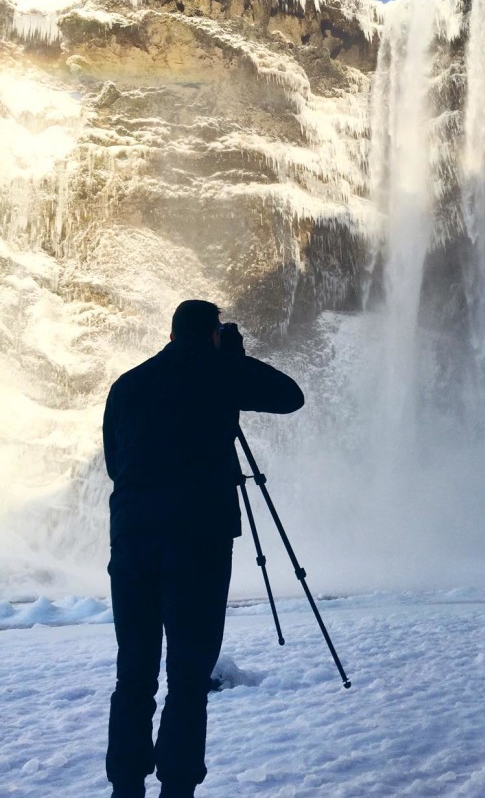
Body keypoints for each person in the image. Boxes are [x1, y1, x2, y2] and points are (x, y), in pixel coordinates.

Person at [103, 299, 304, 798]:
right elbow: (289, 396)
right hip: (199, 540)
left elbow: (114, 461)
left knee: (134, 673)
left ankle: (125, 787)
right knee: (188, 677)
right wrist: (231, 360)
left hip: (131, 540)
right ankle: (178, 787)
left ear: (171, 335)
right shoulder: (218, 372)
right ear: (213, 334)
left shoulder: (127, 384)